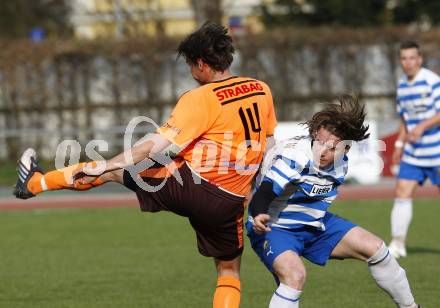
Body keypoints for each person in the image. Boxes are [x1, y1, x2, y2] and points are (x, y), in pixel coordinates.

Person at [13, 22, 277, 308]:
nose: (191, 73)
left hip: (192, 185)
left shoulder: (199, 98)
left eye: (190, 65)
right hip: (231, 201)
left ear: (201, 63)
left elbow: (153, 145)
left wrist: (106, 165)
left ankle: (34, 183)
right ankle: (35, 181)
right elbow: (269, 145)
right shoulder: (260, 89)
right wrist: (264, 191)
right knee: (228, 271)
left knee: (111, 171)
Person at [246, 95, 420, 308]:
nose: (323, 152)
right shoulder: (295, 157)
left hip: (314, 225)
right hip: (273, 226)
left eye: (332, 147)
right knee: (295, 276)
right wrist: (259, 211)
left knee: (377, 249)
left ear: (346, 148)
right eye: (320, 143)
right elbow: (265, 191)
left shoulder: (341, 164)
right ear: (314, 134)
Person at [389, 41, 440, 258]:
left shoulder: (431, 81)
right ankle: (398, 244)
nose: (408, 62)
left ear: (419, 59)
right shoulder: (402, 86)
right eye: (404, 58)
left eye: (412, 58)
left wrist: (422, 126)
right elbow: (404, 120)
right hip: (413, 153)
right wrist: (399, 145)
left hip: (437, 151)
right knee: (402, 192)